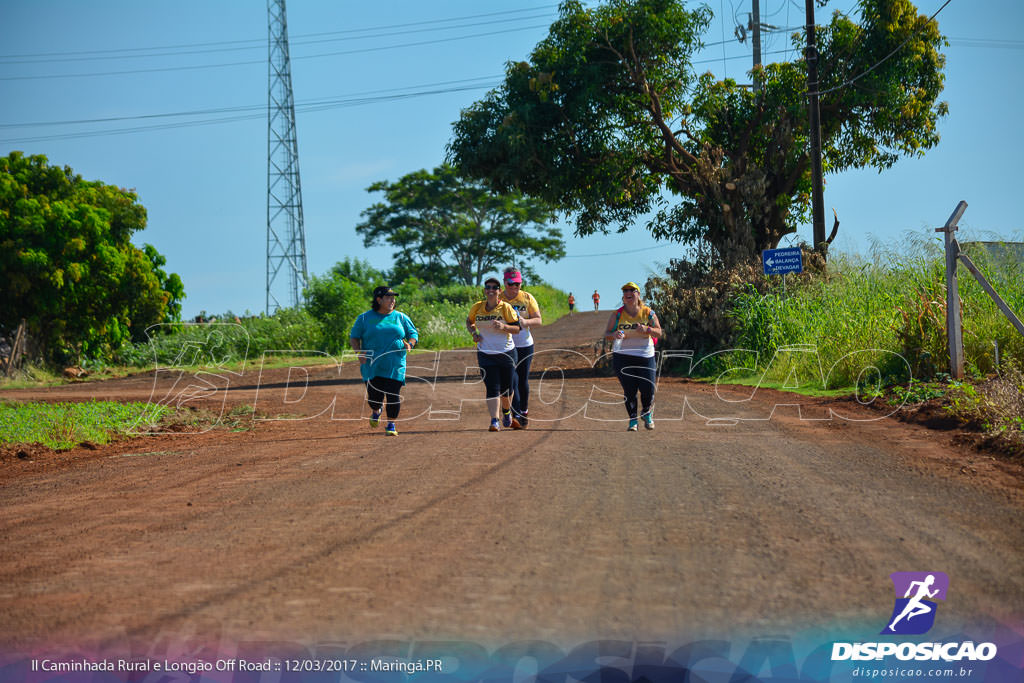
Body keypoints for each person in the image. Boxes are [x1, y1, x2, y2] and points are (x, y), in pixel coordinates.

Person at [350, 285, 419, 436]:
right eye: (388, 297)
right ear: (379, 299)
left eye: (393, 297)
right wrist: (359, 352)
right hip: (372, 364)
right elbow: (354, 337)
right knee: (374, 398)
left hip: (395, 363)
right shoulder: (364, 318)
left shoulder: (400, 317)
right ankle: (376, 411)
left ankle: (391, 424)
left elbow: (413, 333)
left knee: (393, 394)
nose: (392, 300)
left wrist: (410, 344)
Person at [603, 282, 662, 432]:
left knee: (648, 388)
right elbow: (607, 334)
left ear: (638, 294)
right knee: (630, 390)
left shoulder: (648, 313)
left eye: (632, 291)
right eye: (625, 291)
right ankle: (632, 420)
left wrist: (647, 329)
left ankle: (646, 412)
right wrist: (614, 334)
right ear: (623, 296)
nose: (628, 293)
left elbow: (659, 332)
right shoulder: (617, 314)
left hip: (645, 355)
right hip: (623, 356)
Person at [467, 277, 522, 431]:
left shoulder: (506, 308)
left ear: (499, 291)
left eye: (494, 287)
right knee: (492, 387)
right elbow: (469, 321)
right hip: (485, 353)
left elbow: (517, 329)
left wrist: (503, 326)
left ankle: (506, 412)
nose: (491, 290)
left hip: (506, 353)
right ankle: (494, 420)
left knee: (507, 388)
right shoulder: (477, 307)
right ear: (485, 290)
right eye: (488, 287)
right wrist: (473, 333)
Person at [500, 268, 542, 429]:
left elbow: (538, 320)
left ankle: (523, 410)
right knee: (512, 379)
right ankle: (516, 413)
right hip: (506, 346)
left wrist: (526, 322)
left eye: (517, 283)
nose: (514, 287)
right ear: (505, 283)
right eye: (510, 283)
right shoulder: (500, 299)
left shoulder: (527, 298)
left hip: (525, 344)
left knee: (522, 379)